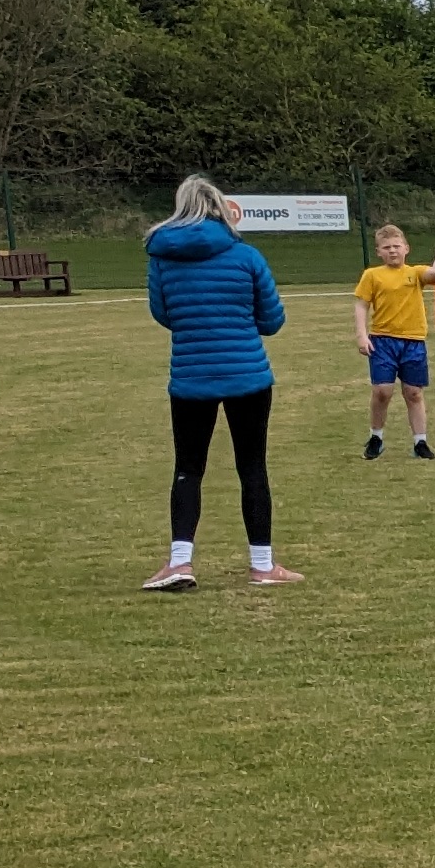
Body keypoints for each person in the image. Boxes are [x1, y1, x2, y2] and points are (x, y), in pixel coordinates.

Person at [141, 174, 300, 590]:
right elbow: (272, 319)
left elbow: (163, 314)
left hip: (191, 375)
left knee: (188, 468)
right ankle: (262, 565)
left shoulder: (162, 258)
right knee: (252, 467)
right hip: (248, 374)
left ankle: (180, 562)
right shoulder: (246, 255)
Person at [350, 221, 435, 459]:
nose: (392, 251)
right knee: (382, 391)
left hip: (413, 341)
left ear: (406, 248)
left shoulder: (415, 273)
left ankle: (420, 442)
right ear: (378, 251)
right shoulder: (372, 275)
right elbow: (361, 305)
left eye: (396, 246)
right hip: (382, 341)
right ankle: (376, 437)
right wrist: (361, 335)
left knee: (413, 392)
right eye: (387, 247)